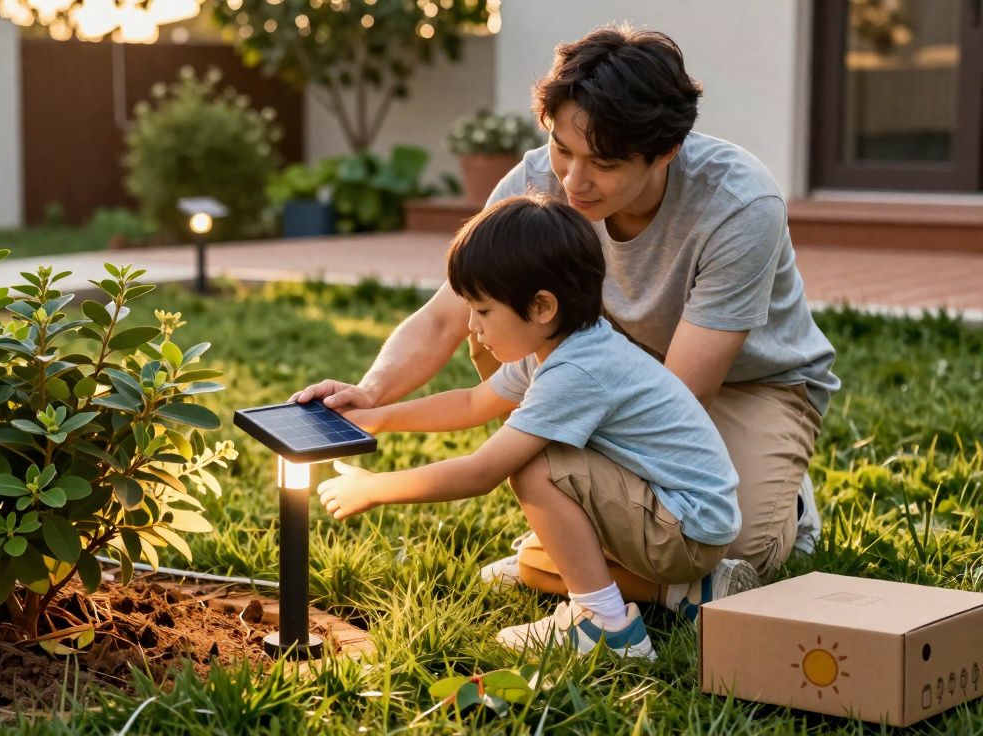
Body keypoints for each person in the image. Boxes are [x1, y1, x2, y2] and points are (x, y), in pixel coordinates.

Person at [293, 25, 838, 595]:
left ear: (666, 152)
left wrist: (522, 462)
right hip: (594, 353)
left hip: (747, 382)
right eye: (562, 148)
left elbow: (681, 395)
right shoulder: (534, 181)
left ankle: (784, 505)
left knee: (729, 547)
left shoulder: (738, 204)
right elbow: (444, 317)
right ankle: (573, 538)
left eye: (602, 163)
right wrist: (371, 397)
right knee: (495, 320)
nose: (573, 182)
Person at [317, 195, 756, 658]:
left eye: (483, 311)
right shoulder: (562, 346)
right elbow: (471, 402)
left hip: (683, 528)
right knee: (534, 563)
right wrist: (376, 417)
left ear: (543, 307)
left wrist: (375, 488)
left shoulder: (578, 372)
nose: (471, 326)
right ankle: (690, 593)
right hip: (680, 518)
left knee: (535, 467)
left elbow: (480, 472)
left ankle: (606, 626)